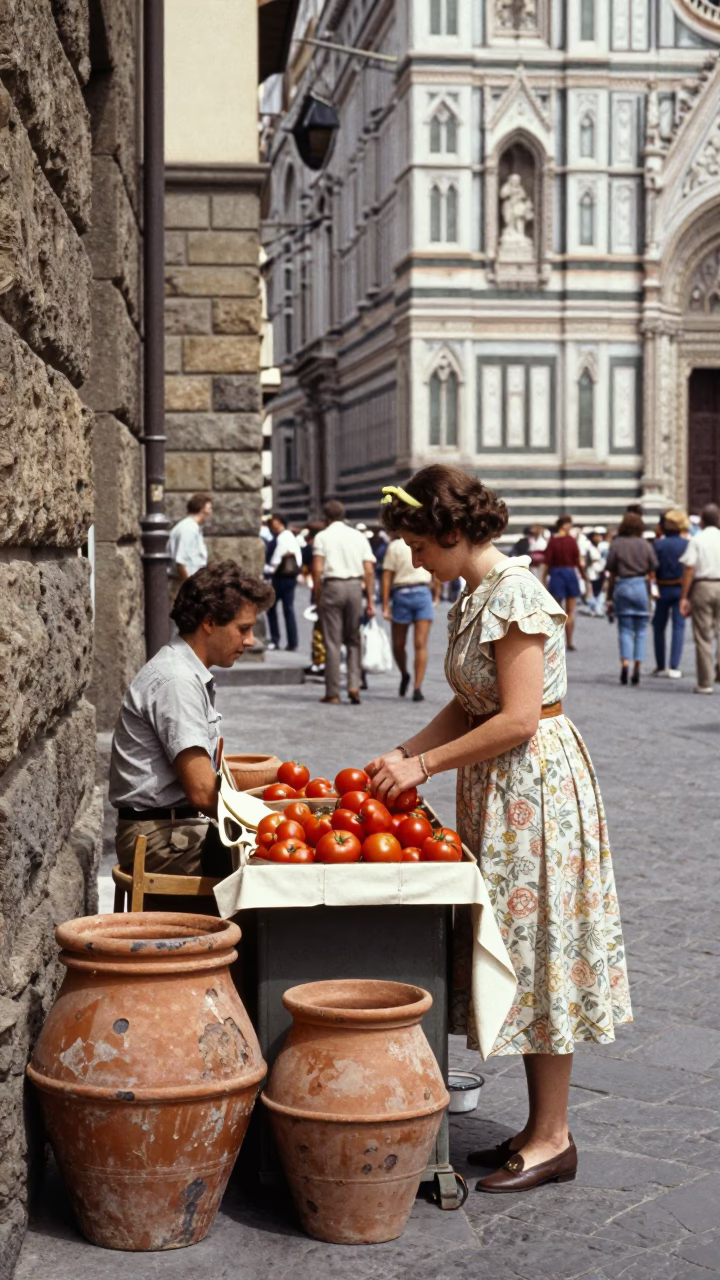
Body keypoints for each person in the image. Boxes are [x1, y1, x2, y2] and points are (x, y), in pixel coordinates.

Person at [366, 466, 631, 1193]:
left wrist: (423, 767)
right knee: (518, 947)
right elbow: (471, 703)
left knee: (541, 947)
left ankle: (554, 1137)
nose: (414, 560)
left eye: (420, 544)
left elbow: (515, 719)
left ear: (453, 533)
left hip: (536, 789)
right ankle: (541, 1126)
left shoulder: (514, 594)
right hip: (503, 787)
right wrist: (408, 751)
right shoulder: (474, 596)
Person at [109, 562, 274, 878]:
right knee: (275, 861)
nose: (250, 640)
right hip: (161, 839)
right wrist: (270, 821)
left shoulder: (184, 671)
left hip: (173, 830)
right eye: (243, 629)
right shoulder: (177, 681)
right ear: (210, 622)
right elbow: (201, 791)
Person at [312, 499, 376, 705]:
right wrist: (370, 600)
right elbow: (369, 570)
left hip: (332, 586)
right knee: (354, 639)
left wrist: (317, 593)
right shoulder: (358, 536)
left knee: (332, 641)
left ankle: (332, 692)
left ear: (326, 517)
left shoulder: (322, 537)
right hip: (355, 587)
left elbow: (317, 569)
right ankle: (354, 686)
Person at [382, 535, 437, 702]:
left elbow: (435, 566)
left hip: (421, 592)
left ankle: (417, 687)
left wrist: (437, 591)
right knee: (398, 644)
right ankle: (405, 673)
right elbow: (387, 576)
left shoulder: (423, 541)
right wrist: (385, 604)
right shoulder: (396, 546)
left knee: (420, 644)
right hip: (403, 593)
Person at [605, 513, 657, 685]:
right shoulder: (645, 544)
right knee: (641, 631)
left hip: (622, 586)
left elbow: (611, 571)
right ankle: (637, 666)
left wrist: (609, 597)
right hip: (640, 585)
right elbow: (653, 565)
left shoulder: (617, 544)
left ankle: (625, 664)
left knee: (625, 629)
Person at [680, 503, 720, 694]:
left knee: (703, 636)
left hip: (703, 586)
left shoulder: (697, 539)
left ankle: (705, 682)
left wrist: (684, 596)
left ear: (702, 520)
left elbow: (689, 568)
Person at [651, 509, 690, 679]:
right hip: (681, 589)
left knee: (658, 627)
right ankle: (674, 666)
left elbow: (652, 568)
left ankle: (660, 666)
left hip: (662, 589)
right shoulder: (687, 544)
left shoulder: (658, 545)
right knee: (679, 627)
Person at [541, 515, 584, 650]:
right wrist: (584, 576)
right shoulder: (571, 540)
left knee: (556, 610)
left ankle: (556, 640)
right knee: (571, 610)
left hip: (556, 574)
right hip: (570, 573)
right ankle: (569, 641)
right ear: (565, 525)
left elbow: (547, 562)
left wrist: (543, 579)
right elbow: (578, 561)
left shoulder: (553, 541)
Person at [265, 512, 302, 651]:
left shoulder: (283, 537)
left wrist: (271, 568)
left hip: (281, 577)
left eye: (273, 521)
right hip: (288, 578)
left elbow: (278, 554)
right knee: (288, 609)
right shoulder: (288, 536)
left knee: (273, 608)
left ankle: (276, 639)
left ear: (280, 522)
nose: (271, 523)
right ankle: (292, 642)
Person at [167, 492, 212, 595]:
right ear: (203, 509)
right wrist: (190, 588)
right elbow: (180, 562)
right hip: (182, 586)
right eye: (209, 509)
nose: (210, 512)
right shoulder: (188, 529)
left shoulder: (192, 528)